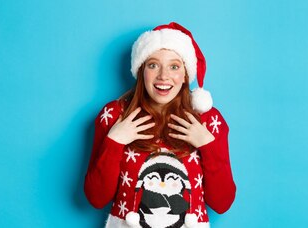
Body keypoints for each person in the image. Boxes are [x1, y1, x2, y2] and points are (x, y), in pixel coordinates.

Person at [84, 22, 236, 228]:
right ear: (141, 70)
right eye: (153, 65)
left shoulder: (208, 120)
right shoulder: (115, 115)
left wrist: (208, 145)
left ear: (185, 75)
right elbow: (96, 198)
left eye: (174, 66)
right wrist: (115, 141)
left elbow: (222, 203)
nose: (163, 76)